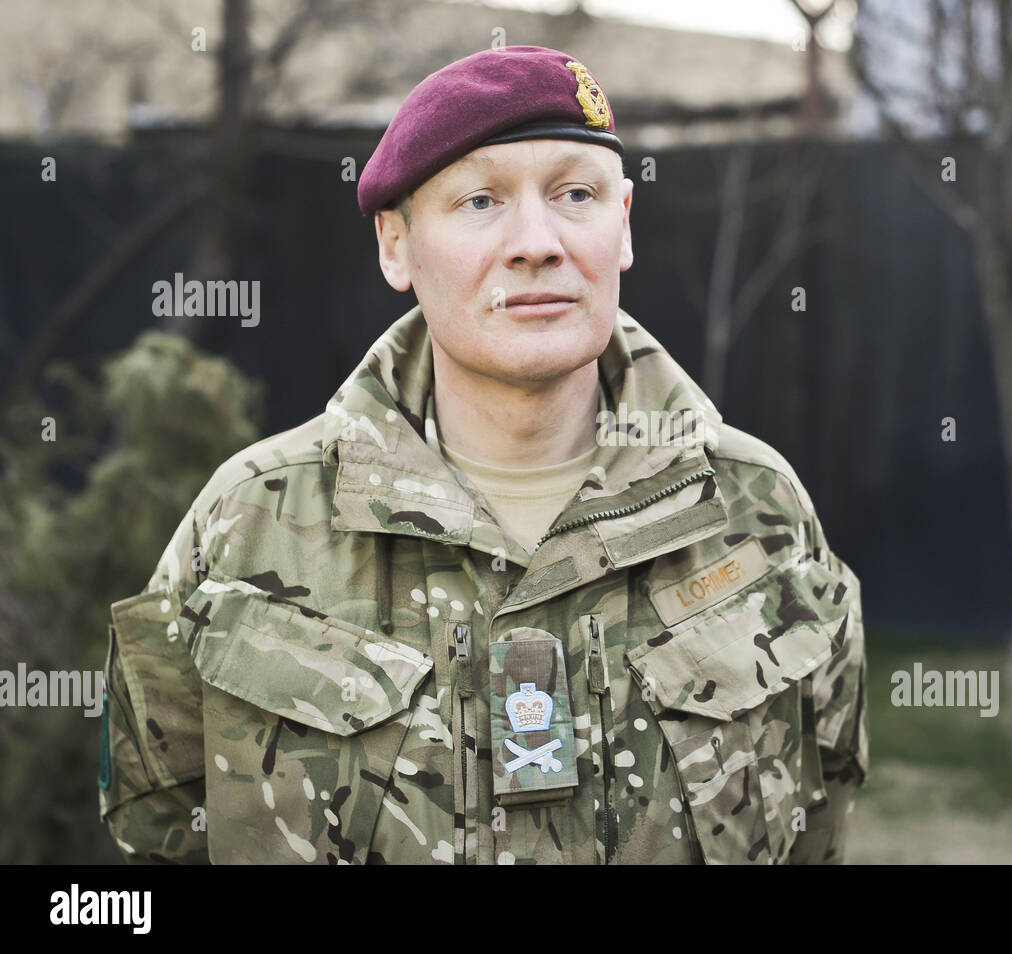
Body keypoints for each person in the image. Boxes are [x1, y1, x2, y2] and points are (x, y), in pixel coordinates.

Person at [99, 44, 869, 865]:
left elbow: (816, 819)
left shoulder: (758, 513)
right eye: (479, 200)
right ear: (395, 244)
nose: (536, 242)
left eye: (576, 193)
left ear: (624, 224)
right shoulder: (247, 525)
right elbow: (159, 827)